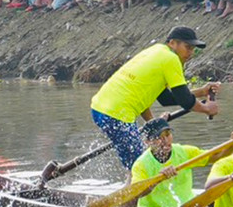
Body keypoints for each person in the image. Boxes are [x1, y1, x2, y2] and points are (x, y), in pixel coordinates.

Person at [88, 26, 220, 169]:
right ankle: (135, 182)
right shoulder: (171, 59)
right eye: (187, 47)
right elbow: (185, 101)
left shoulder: (155, 51)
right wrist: (207, 109)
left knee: (139, 162)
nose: (190, 53)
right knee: (140, 165)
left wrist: (154, 124)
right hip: (117, 114)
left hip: (99, 109)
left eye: (193, 49)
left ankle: (134, 181)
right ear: (172, 43)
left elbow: (165, 98)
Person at [130, 116, 233, 207]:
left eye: (167, 135)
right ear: (147, 142)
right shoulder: (141, 164)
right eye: (159, 138)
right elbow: (137, 193)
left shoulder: (184, 152)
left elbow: (216, 156)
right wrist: (158, 180)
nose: (165, 140)